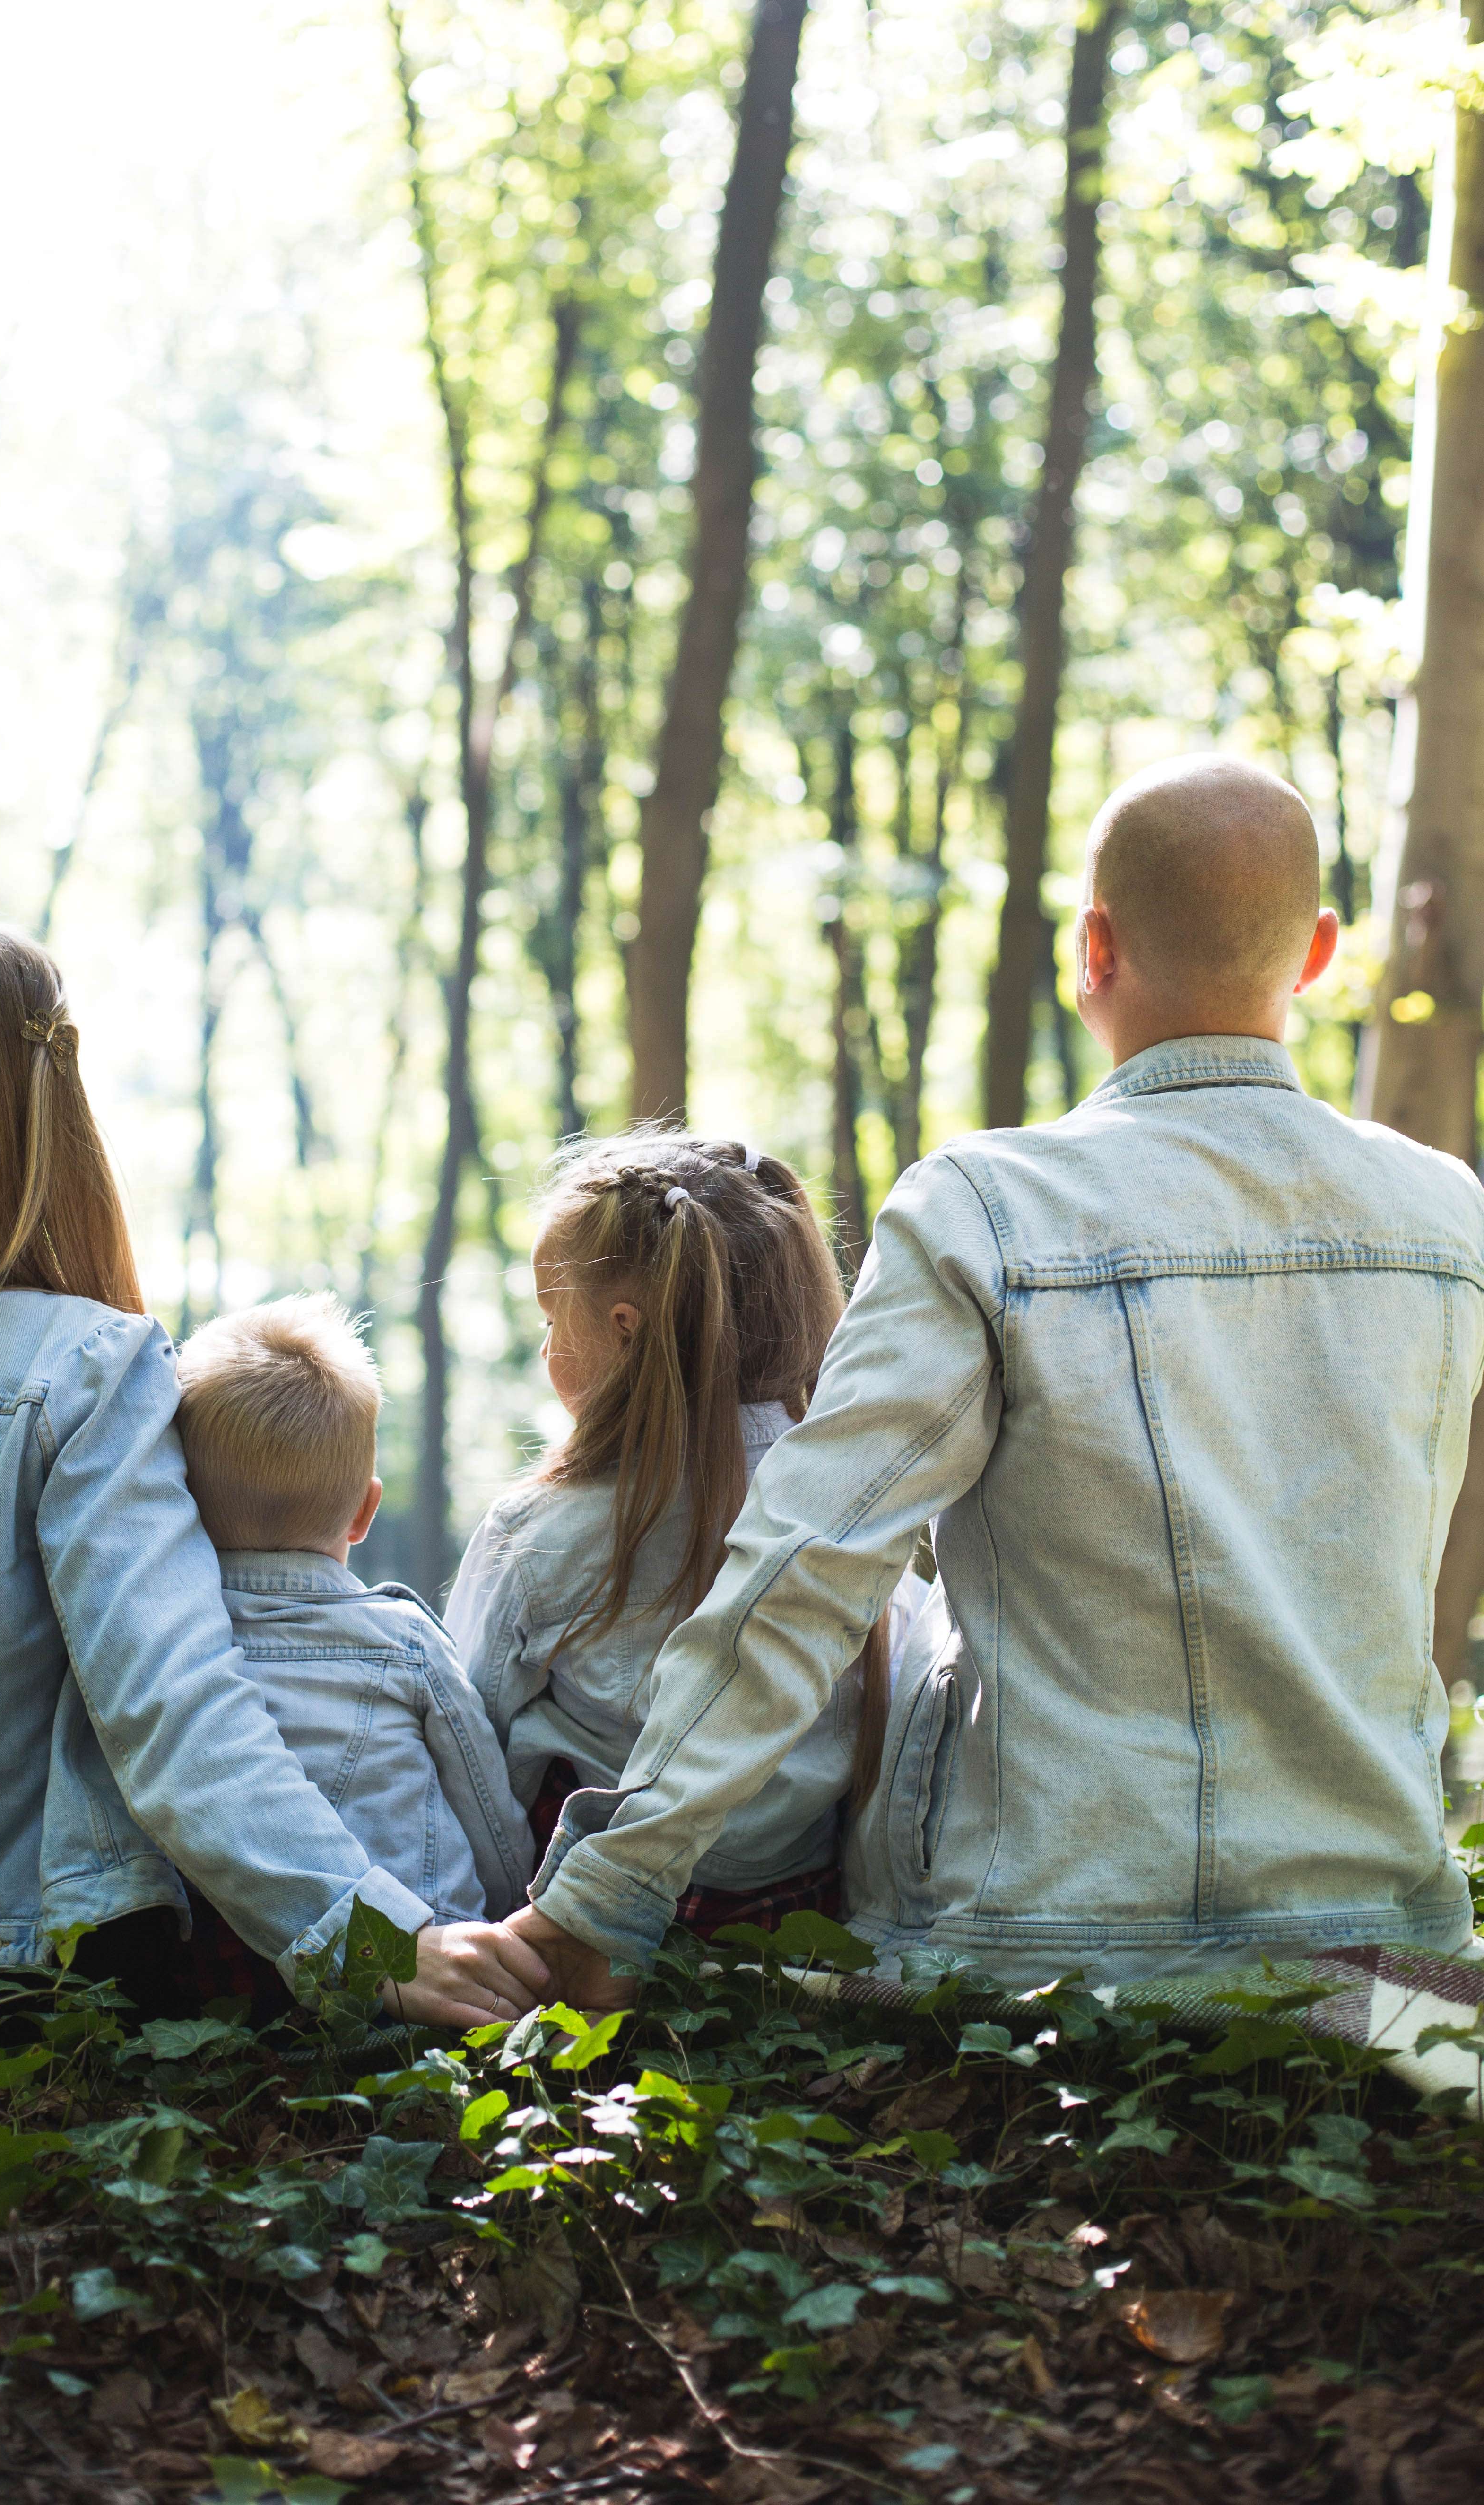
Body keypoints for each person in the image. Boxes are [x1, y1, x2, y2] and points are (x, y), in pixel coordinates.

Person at [511, 757, 1484, 2004]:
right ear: (1320, 955)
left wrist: (607, 1896)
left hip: (1041, 1947)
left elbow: (805, 1568)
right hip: (1384, 1954)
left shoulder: (987, 1210)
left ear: (1093, 948)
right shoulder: (1447, 1216)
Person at [0, 916, 547, 2031]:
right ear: (48, 1112)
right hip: (27, 1994)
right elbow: (173, 1707)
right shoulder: (84, 1365)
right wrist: (372, 1939)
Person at [447, 1132, 929, 1934]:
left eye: (551, 1318)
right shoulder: (860, 1522)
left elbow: (470, 1746)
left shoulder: (537, 1534)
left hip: (575, 1927)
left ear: (626, 1329)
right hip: (797, 1927)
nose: (543, 1348)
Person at [174, 1295, 530, 1928]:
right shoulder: (405, 1644)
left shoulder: (165, 1647)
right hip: (425, 1961)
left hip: (232, 1973)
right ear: (366, 1513)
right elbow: (488, 1815)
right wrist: (509, 1913)